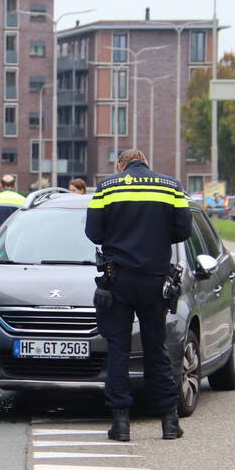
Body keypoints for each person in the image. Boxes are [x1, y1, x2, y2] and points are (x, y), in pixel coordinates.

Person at [84, 149, 191, 441]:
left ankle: (120, 424)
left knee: (118, 350)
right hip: (155, 280)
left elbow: (93, 233)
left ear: (121, 165)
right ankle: (169, 421)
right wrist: (154, 239)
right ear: (146, 163)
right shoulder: (171, 187)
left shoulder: (107, 187)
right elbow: (183, 229)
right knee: (156, 349)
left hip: (117, 279)